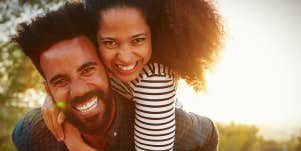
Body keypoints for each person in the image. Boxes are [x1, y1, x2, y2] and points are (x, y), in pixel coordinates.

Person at [12, 2, 218, 151]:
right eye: (110, 42)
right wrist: (56, 101)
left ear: (153, 35)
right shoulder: (99, 59)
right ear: (95, 40)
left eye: (137, 40)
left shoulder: (154, 83)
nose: (125, 57)